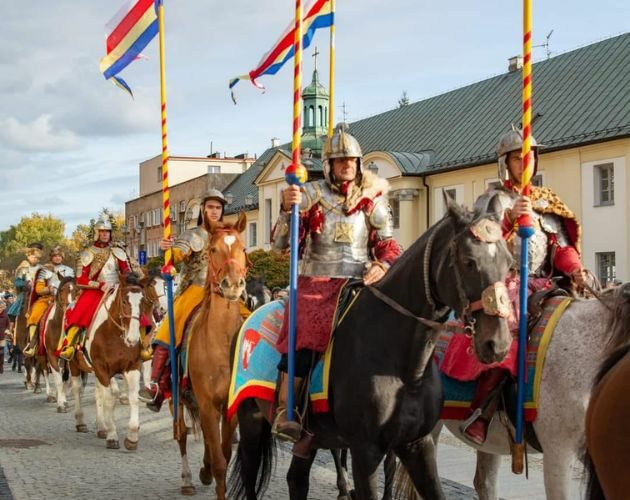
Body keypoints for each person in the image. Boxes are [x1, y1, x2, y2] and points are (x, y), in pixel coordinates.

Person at [443, 127, 586, 445]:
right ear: (504, 163)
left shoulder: (547, 202)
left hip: (546, 284)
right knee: (508, 324)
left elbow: (561, 248)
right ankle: (483, 410)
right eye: (518, 157)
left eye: (530, 156)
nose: (526, 162)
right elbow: (480, 244)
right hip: (503, 281)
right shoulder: (492, 200)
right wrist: (507, 221)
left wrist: (575, 270)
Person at [270, 123, 401, 442]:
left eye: (352, 161)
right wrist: (288, 210)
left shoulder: (372, 200)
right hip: (317, 280)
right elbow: (282, 245)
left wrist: (383, 265)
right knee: (306, 324)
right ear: (328, 165)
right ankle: (290, 408)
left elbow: (389, 246)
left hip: (361, 279)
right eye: (341, 160)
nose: (348, 166)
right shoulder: (309, 196)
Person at [139, 189, 232, 412]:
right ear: (203, 209)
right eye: (210, 207)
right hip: (196, 290)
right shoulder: (194, 234)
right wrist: (170, 251)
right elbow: (180, 253)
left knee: (251, 321)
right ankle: (157, 384)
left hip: (224, 291)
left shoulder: (227, 235)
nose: (214, 211)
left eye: (218, 208)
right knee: (171, 328)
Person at [56, 220, 143, 360]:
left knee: (137, 311)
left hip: (117, 288)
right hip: (96, 290)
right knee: (80, 312)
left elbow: (125, 270)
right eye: (102, 232)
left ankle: (144, 344)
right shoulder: (88, 253)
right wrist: (99, 285)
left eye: (107, 232)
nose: (105, 234)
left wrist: (129, 277)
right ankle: (70, 345)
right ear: (97, 233)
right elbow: (80, 279)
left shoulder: (118, 251)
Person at [7, 243, 43, 327]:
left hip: (40, 292)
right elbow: (17, 282)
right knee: (15, 309)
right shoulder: (24, 267)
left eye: (37, 255)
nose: (34, 257)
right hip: (25, 293)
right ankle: (11, 331)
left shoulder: (42, 268)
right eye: (32, 254)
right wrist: (26, 284)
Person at [0, 301, 9, 373]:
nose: (0, 309)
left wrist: (7, 330)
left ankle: (1, 365)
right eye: (0, 307)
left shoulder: (5, 316)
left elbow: (8, 325)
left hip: (2, 337)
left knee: (1, 352)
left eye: (1, 307)